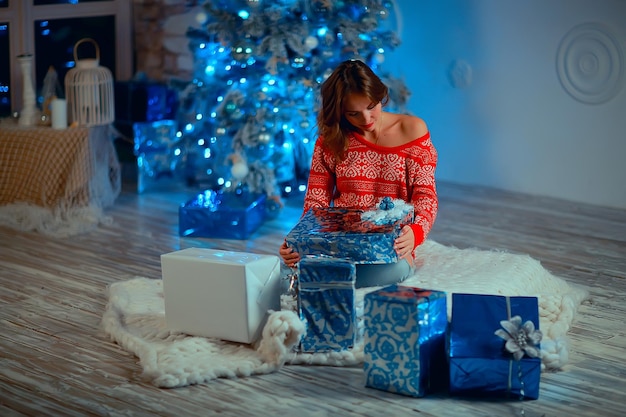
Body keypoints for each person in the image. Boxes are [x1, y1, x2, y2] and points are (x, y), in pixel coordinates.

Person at [279, 59, 438, 288]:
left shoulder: (412, 130)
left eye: (371, 106)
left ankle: (322, 283)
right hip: (341, 242)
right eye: (353, 113)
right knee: (289, 268)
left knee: (394, 269)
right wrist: (297, 241)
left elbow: (425, 195)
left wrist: (415, 232)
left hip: (389, 245)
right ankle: (322, 282)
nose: (366, 119)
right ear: (340, 112)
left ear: (380, 96)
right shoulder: (331, 140)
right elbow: (316, 202)